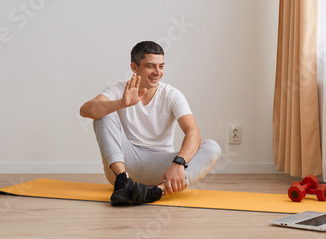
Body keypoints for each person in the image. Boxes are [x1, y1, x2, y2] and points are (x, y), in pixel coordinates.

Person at [80, 41, 221, 205]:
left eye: (161, 66)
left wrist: (178, 163)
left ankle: (157, 191)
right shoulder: (119, 90)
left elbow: (193, 133)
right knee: (101, 111)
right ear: (134, 67)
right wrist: (121, 103)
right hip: (123, 164)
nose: (158, 72)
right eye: (151, 66)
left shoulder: (172, 95)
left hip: (160, 168)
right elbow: (85, 110)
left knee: (212, 147)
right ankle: (123, 182)